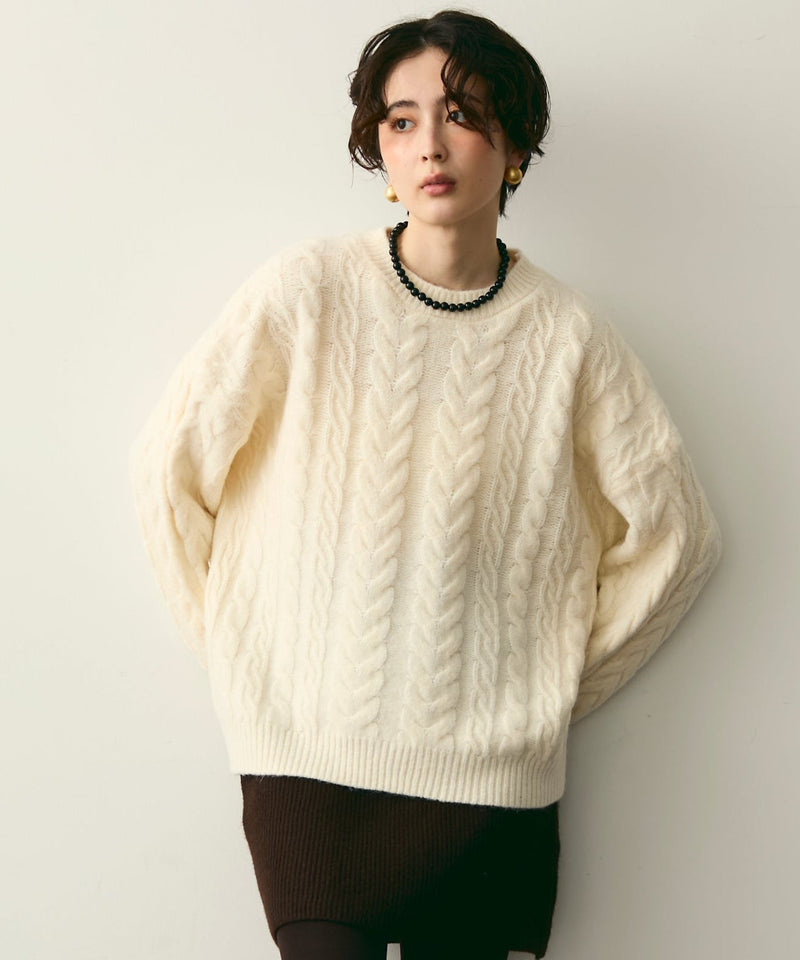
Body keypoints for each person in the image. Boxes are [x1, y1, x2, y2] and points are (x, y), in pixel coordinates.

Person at [130, 9, 721, 960]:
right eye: (402, 121)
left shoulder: (570, 339)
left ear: (515, 146)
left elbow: (679, 538)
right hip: (309, 774)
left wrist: (546, 689)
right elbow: (169, 472)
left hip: (492, 794)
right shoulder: (305, 293)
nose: (430, 146)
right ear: (380, 147)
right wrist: (246, 664)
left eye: (462, 114)